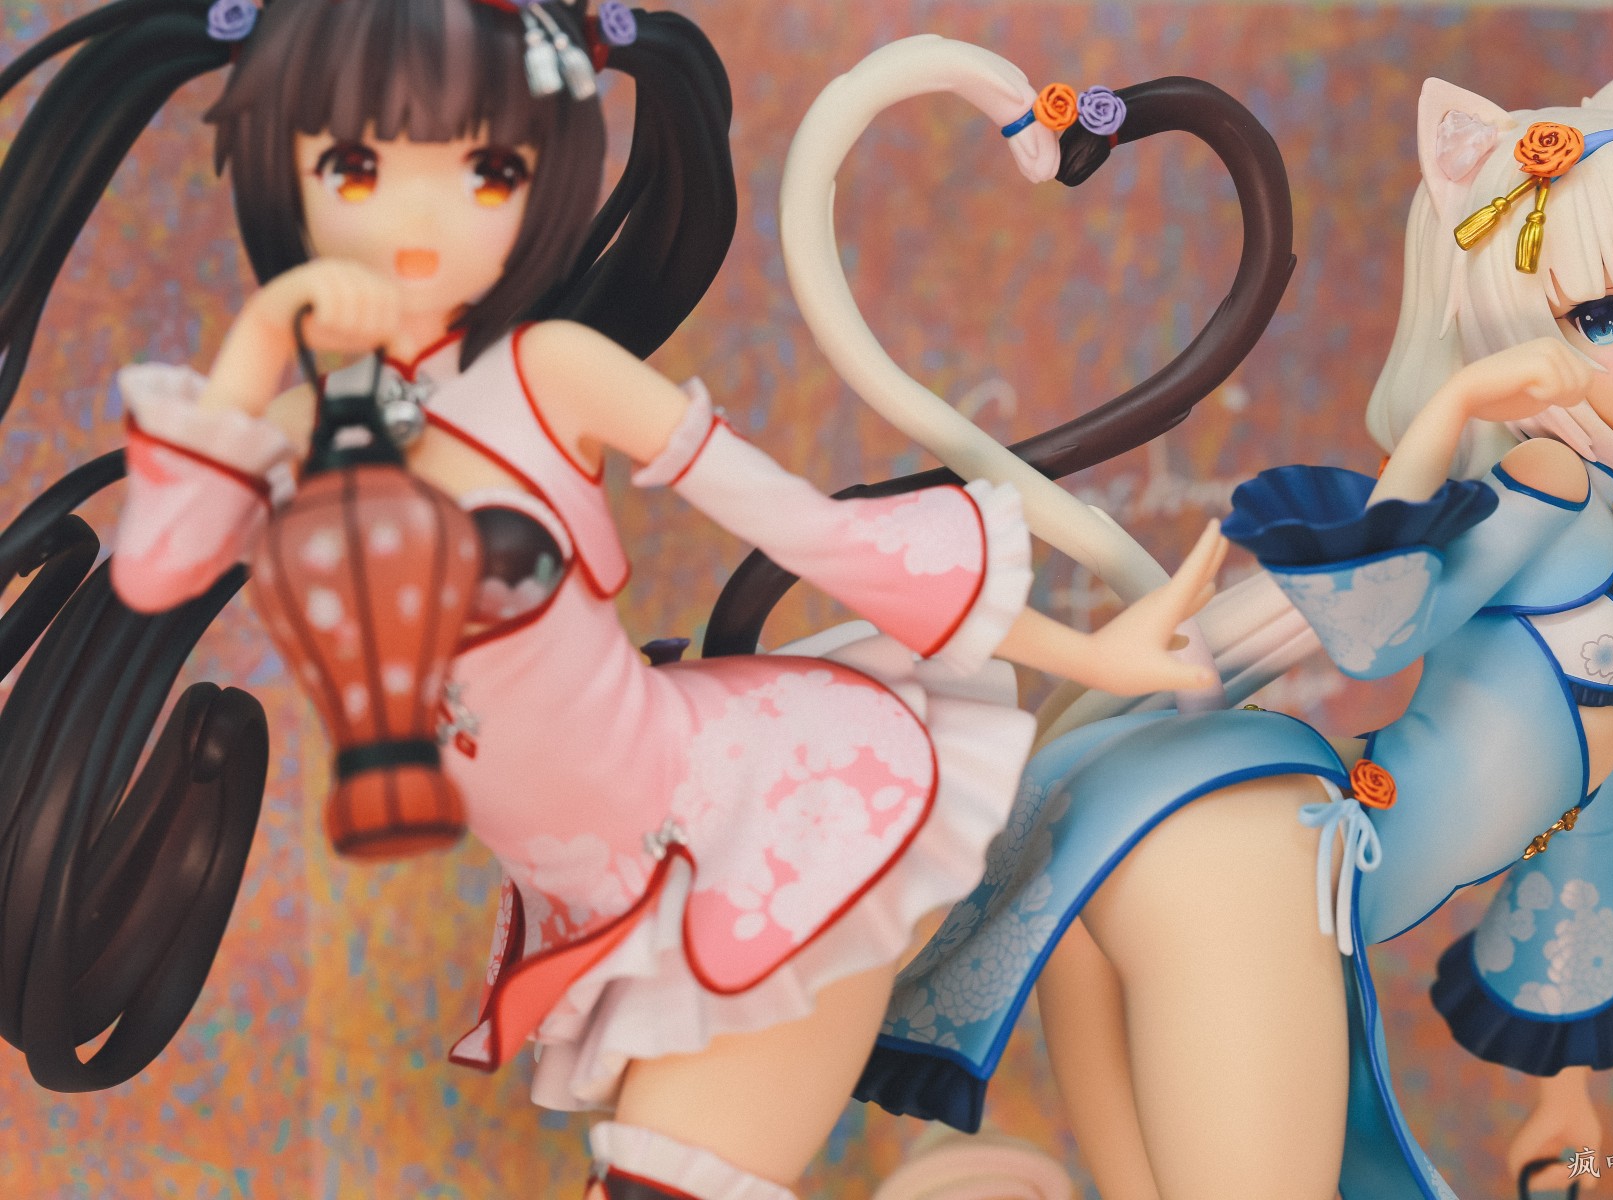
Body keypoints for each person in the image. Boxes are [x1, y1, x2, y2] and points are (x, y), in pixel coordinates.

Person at [5, 2, 1226, 1197]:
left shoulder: (549, 375)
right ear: (289, 173)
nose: (417, 220)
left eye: (483, 170)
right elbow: (159, 570)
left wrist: (1093, 656)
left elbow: (813, 532)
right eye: (358, 168)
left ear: (543, 174)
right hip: (597, 892)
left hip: (751, 831)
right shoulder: (298, 428)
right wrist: (261, 339)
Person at [862, 57, 1613, 1200]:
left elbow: (1575, 806)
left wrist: (1564, 1094)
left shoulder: (1595, 511)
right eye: (1603, 316)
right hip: (1272, 862)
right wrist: (1455, 406)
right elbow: (1382, 627)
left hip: (1251, 835)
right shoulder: (1545, 480)